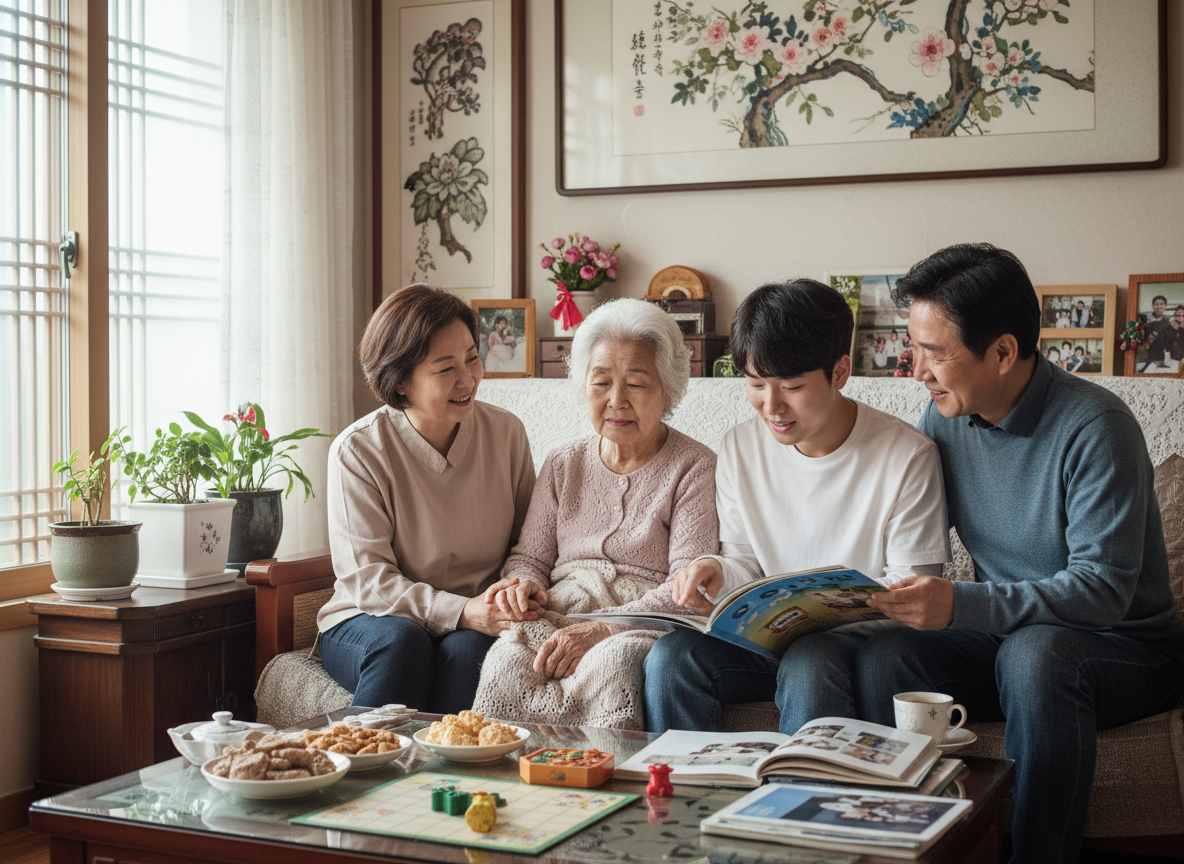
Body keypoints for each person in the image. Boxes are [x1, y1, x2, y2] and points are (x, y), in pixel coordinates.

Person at [855, 244, 1183, 864]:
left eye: (934, 352)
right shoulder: (944, 418)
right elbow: (904, 527)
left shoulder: (1096, 427)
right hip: (1011, 643)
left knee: (1038, 655)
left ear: (1003, 352)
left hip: (1124, 647)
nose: (915, 368)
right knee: (887, 658)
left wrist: (960, 604)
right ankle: (907, 849)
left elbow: (1102, 590)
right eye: (913, 345)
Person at [643, 279, 950, 736]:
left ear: (840, 372)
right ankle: (691, 800)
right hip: (768, 639)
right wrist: (715, 569)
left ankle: (801, 802)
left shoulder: (907, 455)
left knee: (811, 659)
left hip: (854, 646)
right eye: (756, 384)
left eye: (791, 386)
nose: (772, 406)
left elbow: (914, 594)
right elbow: (744, 561)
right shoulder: (740, 447)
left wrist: (823, 611)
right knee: (672, 657)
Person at [472, 298, 719, 730]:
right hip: (560, 611)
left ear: (669, 388)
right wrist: (521, 586)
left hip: (640, 621)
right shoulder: (563, 462)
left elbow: (688, 589)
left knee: (612, 661)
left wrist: (604, 629)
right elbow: (530, 557)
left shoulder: (694, 465)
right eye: (600, 382)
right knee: (506, 659)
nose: (616, 400)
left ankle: (607, 780)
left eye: (637, 384)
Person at [317, 283, 536, 714]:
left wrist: (509, 593)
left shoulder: (506, 433)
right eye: (445, 368)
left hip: (474, 621)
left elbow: (528, 542)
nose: (468, 378)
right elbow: (369, 581)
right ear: (401, 381)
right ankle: (358, 770)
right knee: (404, 642)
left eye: (472, 357)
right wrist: (460, 610)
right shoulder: (358, 450)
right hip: (370, 618)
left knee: (470, 650)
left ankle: (437, 776)